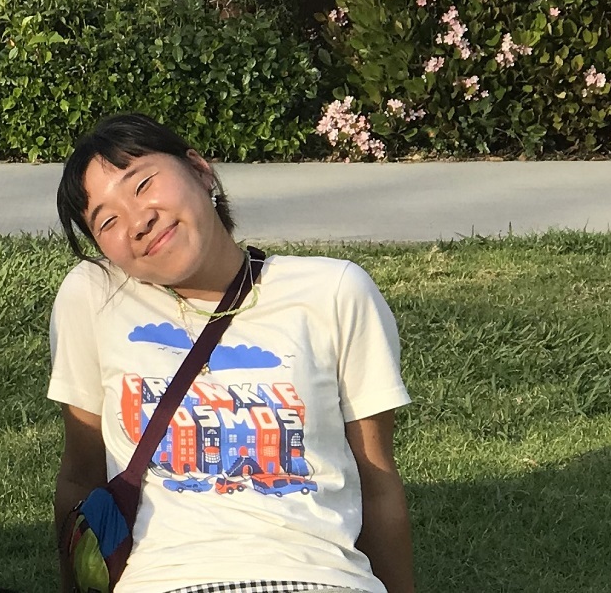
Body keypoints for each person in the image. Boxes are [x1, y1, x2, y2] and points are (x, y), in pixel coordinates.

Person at [49, 113, 415, 593]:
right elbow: (79, 477)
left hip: (317, 577)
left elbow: (378, 480)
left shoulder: (334, 290)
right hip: (164, 581)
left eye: (142, 185)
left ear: (201, 171)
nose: (138, 222)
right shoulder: (94, 296)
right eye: (108, 220)